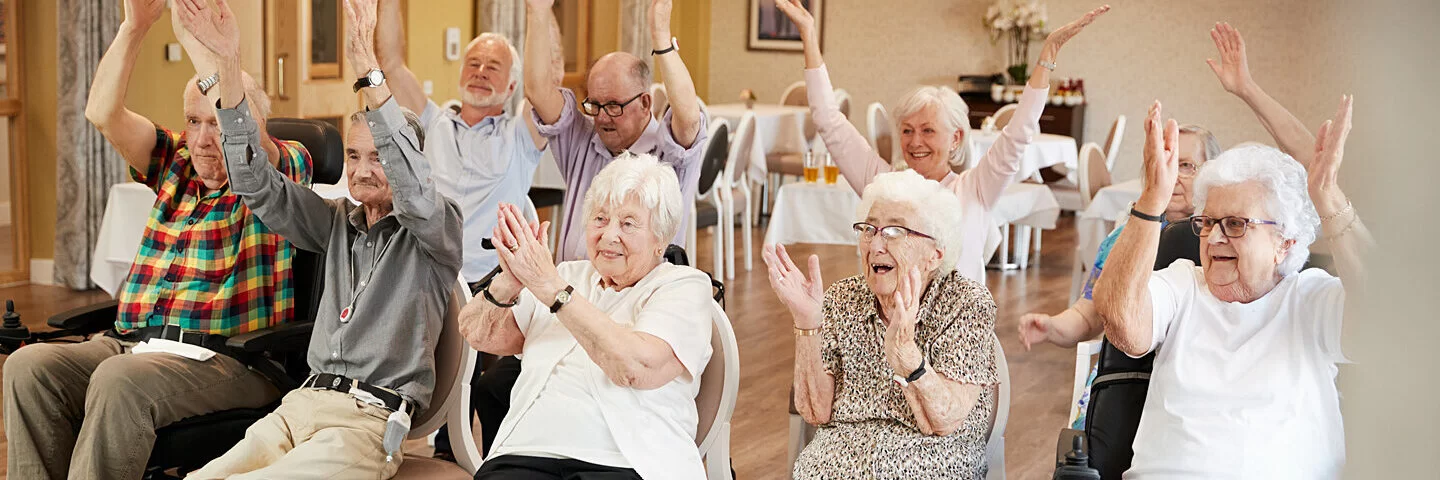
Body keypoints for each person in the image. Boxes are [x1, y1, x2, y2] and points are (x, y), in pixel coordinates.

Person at [2, 0, 311, 478]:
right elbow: (102, 112)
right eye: (194, 121)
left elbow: (243, 138)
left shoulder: (279, 173)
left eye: (217, 122)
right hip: (136, 346)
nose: (206, 138)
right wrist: (134, 27)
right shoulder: (176, 165)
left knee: (119, 379)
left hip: (228, 359)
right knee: (28, 368)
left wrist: (199, 45)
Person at [176, 0, 462, 477]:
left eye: (379, 158)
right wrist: (226, 67)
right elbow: (255, 184)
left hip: (368, 423)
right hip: (302, 405)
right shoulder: (335, 221)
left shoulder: (437, 232)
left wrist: (367, 69)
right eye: (353, 156)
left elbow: (412, 187)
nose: (363, 170)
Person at [1094, 98, 1370, 478]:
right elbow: (1121, 322)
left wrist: (1330, 198)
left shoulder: (1309, 300)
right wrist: (1151, 203)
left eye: (1236, 224)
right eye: (1208, 223)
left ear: (1284, 243)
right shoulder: (1182, 285)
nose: (1214, 239)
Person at [772, 0, 1109, 282]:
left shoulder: (976, 189)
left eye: (928, 130)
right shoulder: (883, 184)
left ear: (956, 138)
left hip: (957, 338)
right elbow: (829, 121)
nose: (915, 141)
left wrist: (1047, 54)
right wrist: (808, 34)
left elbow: (1018, 132)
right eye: (907, 130)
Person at [461, 153, 714, 480]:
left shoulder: (682, 286)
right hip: (526, 452)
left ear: (660, 239)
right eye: (600, 219)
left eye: (627, 224)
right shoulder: (567, 274)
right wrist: (510, 280)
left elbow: (637, 367)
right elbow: (478, 334)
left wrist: (552, 289)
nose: (609, 235)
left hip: (630, 461)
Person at [765, 170, 1001, 479]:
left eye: (893, 232)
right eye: (869, 229)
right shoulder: (843, 298)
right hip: (839, 459)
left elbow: (944, 421)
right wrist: (807, 321)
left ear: (934, 254)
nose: (875, 245)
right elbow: (815, 411)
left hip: (933, 458)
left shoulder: (965, 303)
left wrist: (907, 356)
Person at [375, 0, 545, 287]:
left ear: (512, 87)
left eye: (493, 67)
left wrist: (538, 12)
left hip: (487, 283)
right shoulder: (432, 121)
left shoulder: (521, 135)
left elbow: (542, 88)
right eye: (473, 64)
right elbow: (390, 64)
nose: (480, 72)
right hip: (423, 273)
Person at [524, 0, 708, 262]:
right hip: (571, 291)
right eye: (594, 105)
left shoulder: (669, 155)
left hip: (641, 298)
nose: (601, 117)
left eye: (613, 106)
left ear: (645, 103)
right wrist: (538, 10)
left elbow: (688, 118)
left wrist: (661, 37)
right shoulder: (582, 140)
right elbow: (538, 92)